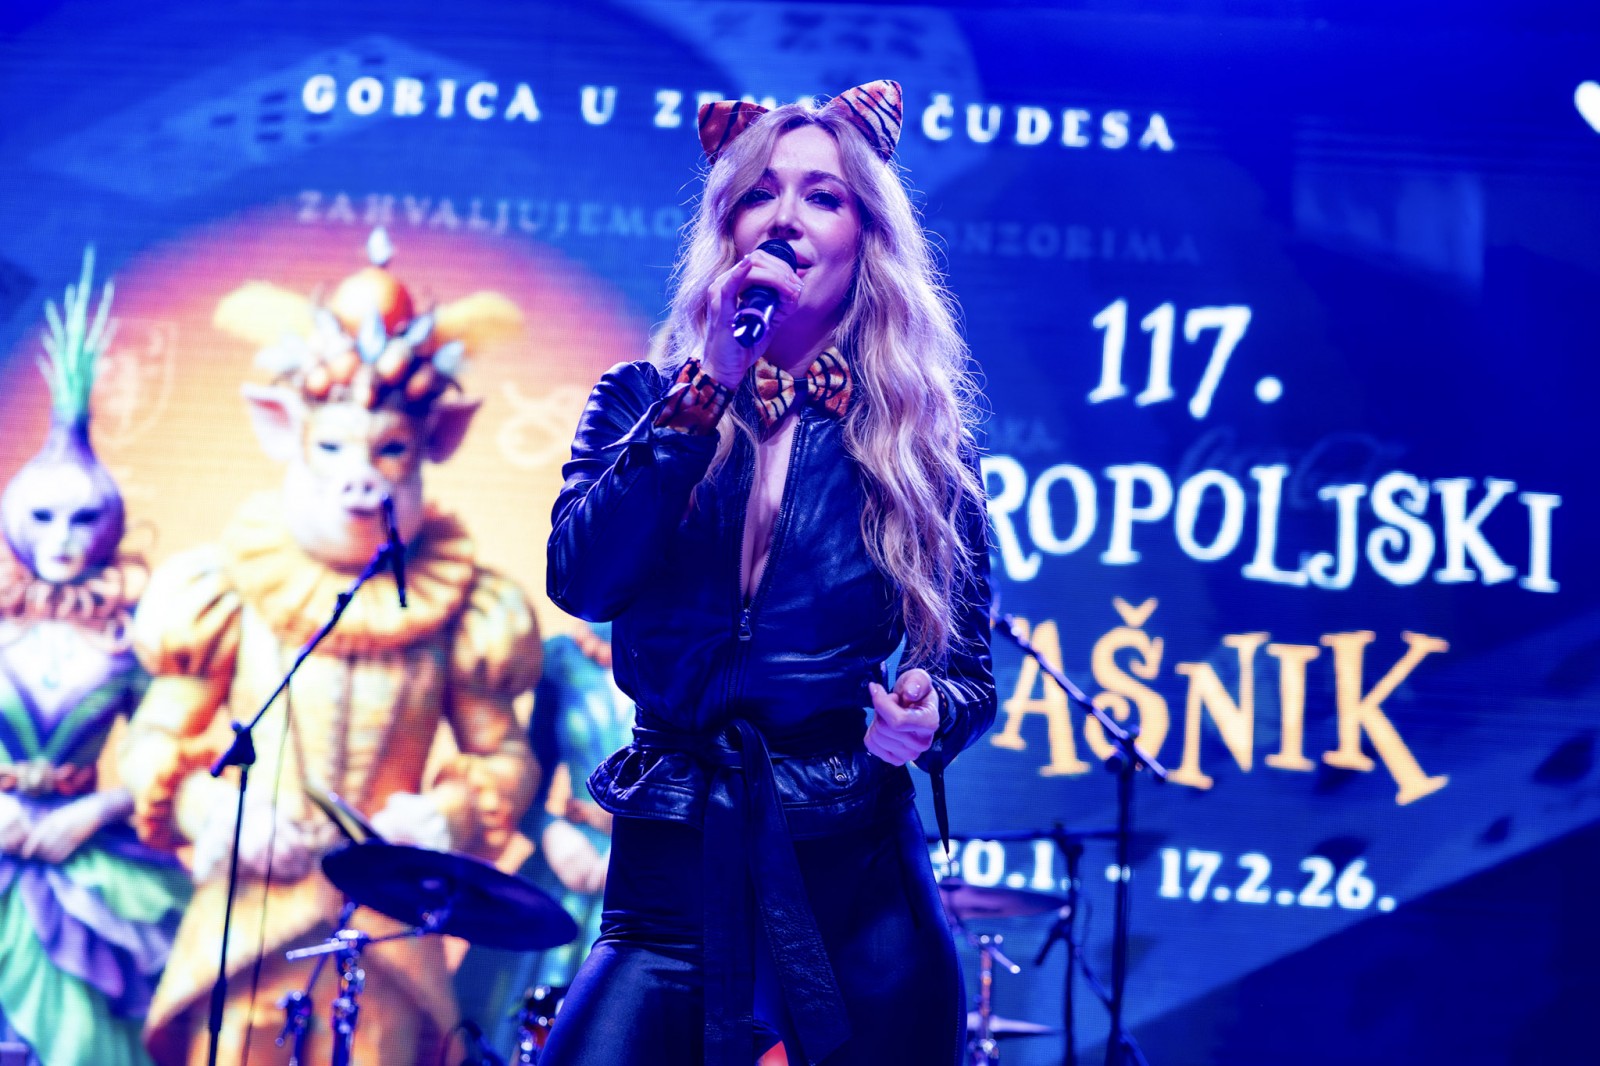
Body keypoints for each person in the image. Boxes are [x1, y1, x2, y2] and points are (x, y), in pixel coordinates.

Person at [541, 81, 995, 1066]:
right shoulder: (640, 399)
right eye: (761, 194)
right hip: (672, 861)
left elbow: (966, 672)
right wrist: (705, 387)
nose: (786, 216)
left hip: (854, 878)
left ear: (865, 238)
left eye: (822, 196)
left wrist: (926, 714)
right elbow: (584, 581)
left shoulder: (919, 440)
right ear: (729, 228)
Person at [0, 249, 191, 1066]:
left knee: (81, 1041)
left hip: (87, 858)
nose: (62, 539)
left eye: (82, 519)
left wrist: (98, 808)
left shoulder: (134, 632)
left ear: (109, 523)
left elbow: (170, 747)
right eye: (43, 517)